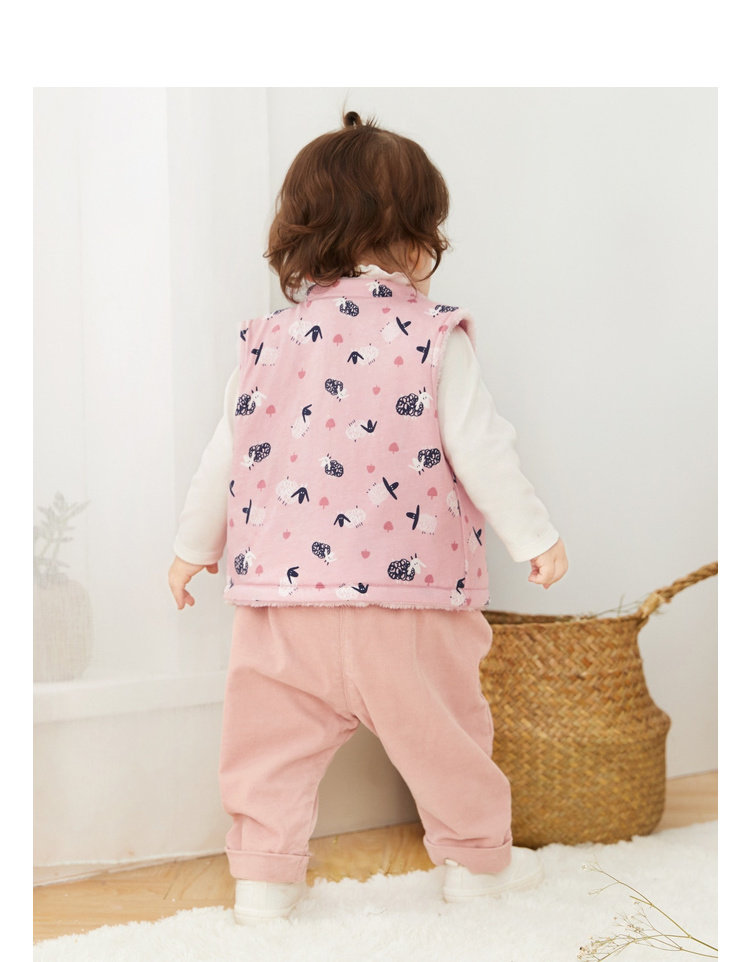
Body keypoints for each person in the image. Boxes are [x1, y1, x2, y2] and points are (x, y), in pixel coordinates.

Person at [168, 110, 568, 923]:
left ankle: (265, 879)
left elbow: (226, 455)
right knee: (447, 740)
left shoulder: (267, 342)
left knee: (266, 750)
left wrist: (189, 547)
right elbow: (483, 447)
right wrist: (536, 536)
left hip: (282, 606)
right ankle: (477, 866)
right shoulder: (432, 336)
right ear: (417, 241)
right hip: (407, 604)